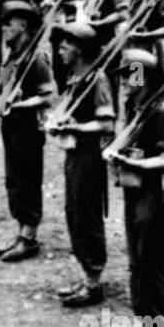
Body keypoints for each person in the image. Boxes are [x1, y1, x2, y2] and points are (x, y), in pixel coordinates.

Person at [105, 48, 164, 327]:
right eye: (122, 74)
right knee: (136, 264)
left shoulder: (157, 114)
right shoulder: (135, 108)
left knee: (151, 266)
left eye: (130, 74)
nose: (124, 80)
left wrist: (129, 160)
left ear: (143, 76)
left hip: (151, 194)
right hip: (133, 192)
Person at [50, 21, 115, 307]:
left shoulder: (97, 80)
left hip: (89, 156)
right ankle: (86, 273)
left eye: (66, 45)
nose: (60, 50)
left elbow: (107, 124)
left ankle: (94, 282)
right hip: (74, 155)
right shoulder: (75, 76)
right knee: (73, 211)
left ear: (80, 49)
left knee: (87, 214)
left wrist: (74, 128)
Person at [0, 0, 54, 262]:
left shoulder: (35, 57)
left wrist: (19, 104)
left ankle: (28, 236)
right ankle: (21, 232)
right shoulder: (13, 53)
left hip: (26, 126)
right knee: (13, 179)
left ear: (24, 25)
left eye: (10, 22)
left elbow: (48, 95)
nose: (4, 27)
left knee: (27, 178)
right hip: (10, 123)